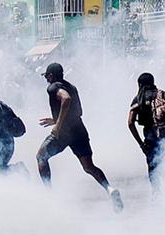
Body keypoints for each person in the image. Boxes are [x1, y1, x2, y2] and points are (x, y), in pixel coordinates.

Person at [35, 62, 123, 211]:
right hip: (79, 130)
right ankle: (110, 189)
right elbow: (78, 112)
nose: (46, 79)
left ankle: (49, 195)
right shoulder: (72, 87)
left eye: (47, 76)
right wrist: (55, 119)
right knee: (88, 166)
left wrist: (58, 125)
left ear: (51, 75)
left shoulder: (53, 87)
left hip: (64, 133)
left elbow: (66, 99)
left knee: (41, 157)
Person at [127, 73, 165, 192]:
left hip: (151, 138)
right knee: (161, 161)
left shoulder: (139, 99)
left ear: (140, 84)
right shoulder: (164, 95)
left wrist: (141, 144)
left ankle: (160, 192)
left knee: (154, 166)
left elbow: (130, 123)